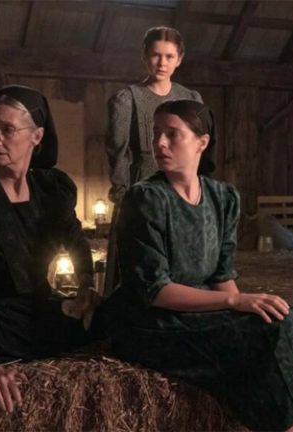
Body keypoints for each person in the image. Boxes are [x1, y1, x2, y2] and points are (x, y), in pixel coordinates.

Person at [99, 100, 293, 432]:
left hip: (199, 310)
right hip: (151, 320)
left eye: (172, 134)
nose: (159, 143)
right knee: (269, 333)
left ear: (202, 142)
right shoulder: (145, 198)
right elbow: (154, 290)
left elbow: (222, 274)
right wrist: (235, 302)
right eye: (156, 133)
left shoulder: (223, 198)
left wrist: (247, 307)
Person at [0, 86, 99, 413]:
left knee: (114, 323)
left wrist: (86, 286)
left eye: (7, 130)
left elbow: (75, 240)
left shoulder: (52, 187)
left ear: (36, 136)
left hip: (35, 312)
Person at [104, 25, 204, 292]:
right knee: (141, 262)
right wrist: (124, 195)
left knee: (182, 258)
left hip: (182, 188)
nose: (162, 63)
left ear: (179, 59)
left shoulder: (190, 98)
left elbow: (198, 148)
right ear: (144, 56)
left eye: (169, 56)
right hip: (143, 184)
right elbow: (117, 151)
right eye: (156, 55)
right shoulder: (128, 99)